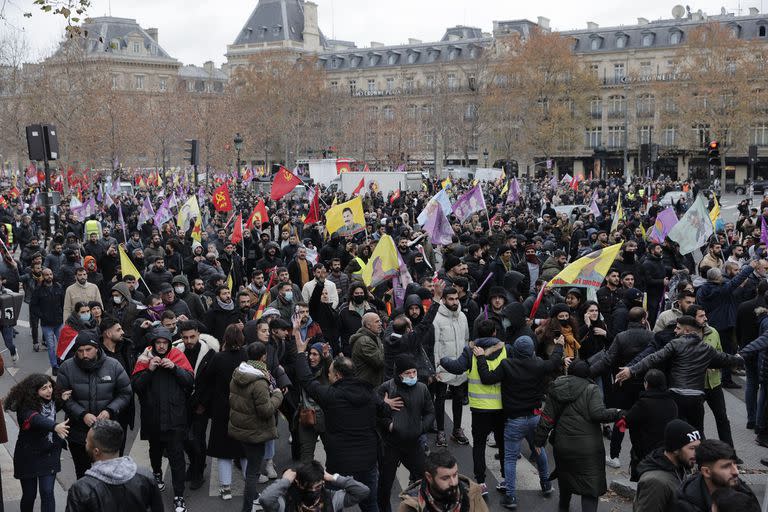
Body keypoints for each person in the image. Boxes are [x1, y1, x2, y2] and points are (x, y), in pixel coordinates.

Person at [474, 329, 563, 508]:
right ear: (531, 351)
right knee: (538, 450)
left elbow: (487, 378)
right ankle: (546, 485)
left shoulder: (507, 365)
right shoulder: (538, 364)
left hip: (514, 420)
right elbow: (553, 362)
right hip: (534, 418)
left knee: (509, 459)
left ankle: (511, 497)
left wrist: (481, 358)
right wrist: (560, 345)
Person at [616, 315, 744, 435]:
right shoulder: (707, 348)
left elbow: (653, 358)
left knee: (674, 433)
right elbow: (727, 360)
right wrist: (741, 357)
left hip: (676, 396)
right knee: (697, 433)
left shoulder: (675, 344)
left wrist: (632, 370)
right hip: (696, 397)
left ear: (687, 331)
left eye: (678, 328)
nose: (675, 331)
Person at [295, 353, 387, 512]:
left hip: (339, 461)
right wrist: (386, 404)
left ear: (337, 376)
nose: (328, 376)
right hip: (368, 459)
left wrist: (300, 353)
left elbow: (307, 381)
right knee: (370, 503)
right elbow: (384, 410)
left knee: (332, 504)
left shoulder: (330, 395)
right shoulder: (370, 393)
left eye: (329, 373)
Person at [534, 360, 623, 512]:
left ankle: (563, 507)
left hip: (563, 445)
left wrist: (538, 441)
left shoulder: (557, 387)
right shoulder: (591, 389)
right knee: (590, 486)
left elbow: (547, 418)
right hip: (588, 449)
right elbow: (598, 414)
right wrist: (618, 413)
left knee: (566, 478)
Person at [131, 327, 195, 512]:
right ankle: (157, 473)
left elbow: (190, 381)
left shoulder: (178, 357)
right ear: (153, 344)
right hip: (153, 418)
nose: (161, 346)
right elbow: (136, 386)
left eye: (164, 343)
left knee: (177, 458)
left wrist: (175, 369)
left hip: (175, 419)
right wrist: (149, 370)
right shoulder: (144, 359)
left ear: (169, 344)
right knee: (155, 450)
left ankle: (179, 496)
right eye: (158, 343)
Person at [56, 331, 132, 479]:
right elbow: (63, 397)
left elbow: (125, 393)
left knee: (110, 475)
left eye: (88, 350)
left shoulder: (113, 365)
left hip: (107, 433)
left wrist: (110, 410)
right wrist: (82, 414)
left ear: (96, 348)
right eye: (80, 351)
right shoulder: (66, 368)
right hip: (79, 434)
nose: (84, 354)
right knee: (83, 475)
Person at [229, 341, 284, 512]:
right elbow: (266, 410)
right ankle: (248, 506)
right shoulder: (259, 381)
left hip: (241, 428)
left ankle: (251, 500)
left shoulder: (239, 372)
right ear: (263, 357)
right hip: (255, 431)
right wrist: (277, 395)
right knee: (252, 472)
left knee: (250, 468)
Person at [376, 354, 436, 512]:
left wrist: (422, 428)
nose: (412, 376)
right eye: (407, 373)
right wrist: (388, 424)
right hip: (390, 446)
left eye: (414, 372)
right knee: (384, 486)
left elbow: (430, 412)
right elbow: (375, 414)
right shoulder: (386, 388)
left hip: (414, 444)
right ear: (399, 374)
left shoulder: (422, 389)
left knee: (428, 479)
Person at [64, 419, 163, 512]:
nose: (85, 443)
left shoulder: (81, 489)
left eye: (87, 442)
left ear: (96, 451)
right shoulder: (145, 477)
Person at [4, 373, 70, 512]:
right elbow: (35, 419)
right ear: (34, 391)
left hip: (49, 453)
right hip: (28, 455)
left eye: (50, 386)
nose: (49, 390)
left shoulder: (51, 402)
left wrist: (62, 400)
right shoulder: (25, 407)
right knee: (29, 495)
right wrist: (54, 426)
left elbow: (51, 409)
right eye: (44, 388)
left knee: (47, 492)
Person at [197, 323, 248, 501]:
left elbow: (207, 378)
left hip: (222, 409)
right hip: (243, 408)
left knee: (223, 451)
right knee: (244, 450)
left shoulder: (218, 358)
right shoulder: (246, 355)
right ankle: (250, 485)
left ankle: (225, 489)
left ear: (225, 338)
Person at [173, 320, 220, 490]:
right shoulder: (177, 352)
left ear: (198, 334)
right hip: (182, 404)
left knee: (198, 440)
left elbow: (213, 383)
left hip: (201, 405)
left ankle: (198, 473)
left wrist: (203, 404)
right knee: (184, 439)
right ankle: (193, 465)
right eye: (185, 337)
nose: (189, 341)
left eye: (192, 336)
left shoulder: (210, 353)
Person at [622, 369, 679, 481]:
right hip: (666, 451)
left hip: (646, 452)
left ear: (646, 384)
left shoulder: (643, 404)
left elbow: (628, 420)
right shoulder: (672, 403)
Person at [633, 419, 700, 512]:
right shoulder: (656, 483)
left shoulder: (682, 465)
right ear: (676, 449)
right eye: (692, 448)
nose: (697, 453)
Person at [433, 287, 470, 447]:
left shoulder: (462, 316)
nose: (455, 302)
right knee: (440, 399)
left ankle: (457, 429)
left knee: (458, 398)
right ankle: (440, 431)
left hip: (460, 366)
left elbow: (467, 341)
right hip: (442, 367)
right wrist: (436, 369)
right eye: (451, 299)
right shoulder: (437, 319)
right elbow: (434, 345)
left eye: (456, 299)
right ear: (443, 300)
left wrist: (466, 363)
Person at [676, 440, 758, 512]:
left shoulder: (741, 489)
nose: (736, 472)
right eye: (726, 466)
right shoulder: (687, 505)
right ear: (707, 472)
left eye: (735, 464)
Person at [397, 449, 488, 512]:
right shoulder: (410, 506)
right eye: (445, 478)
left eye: (455, 474)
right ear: (429, 477)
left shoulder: (472, 494)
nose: (453, 482)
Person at [259, 461, 370, 512]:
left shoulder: (331, 499)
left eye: (317, 487)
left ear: (323, 482)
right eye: (308, 487)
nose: (312, 491)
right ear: (298, 483)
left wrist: (333, 477)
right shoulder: (286, 501)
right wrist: (285, 481)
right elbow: (265, 499)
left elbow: (362, 491)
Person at [29, 267, 65, 375]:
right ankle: (54, 366)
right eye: (47, 275)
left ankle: (62, 362)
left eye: (51, 274)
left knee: (62, 344)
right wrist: (42, 316)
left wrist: (62, 314)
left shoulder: (58, 287)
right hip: (46, 324)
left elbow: (63, 303)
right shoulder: (38, 290)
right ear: (43, 276)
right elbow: (33, 306)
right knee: (51, 346)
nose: (49, 276)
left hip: (59, 322)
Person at [350, 311, 386, 387]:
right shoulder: (365, 341)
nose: (380, 324)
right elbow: (379, 361)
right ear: (368, 325)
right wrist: (384, 347)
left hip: (372, 384)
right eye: (377, 322)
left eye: (380, 321)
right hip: (366, 386)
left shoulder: (374, 337)